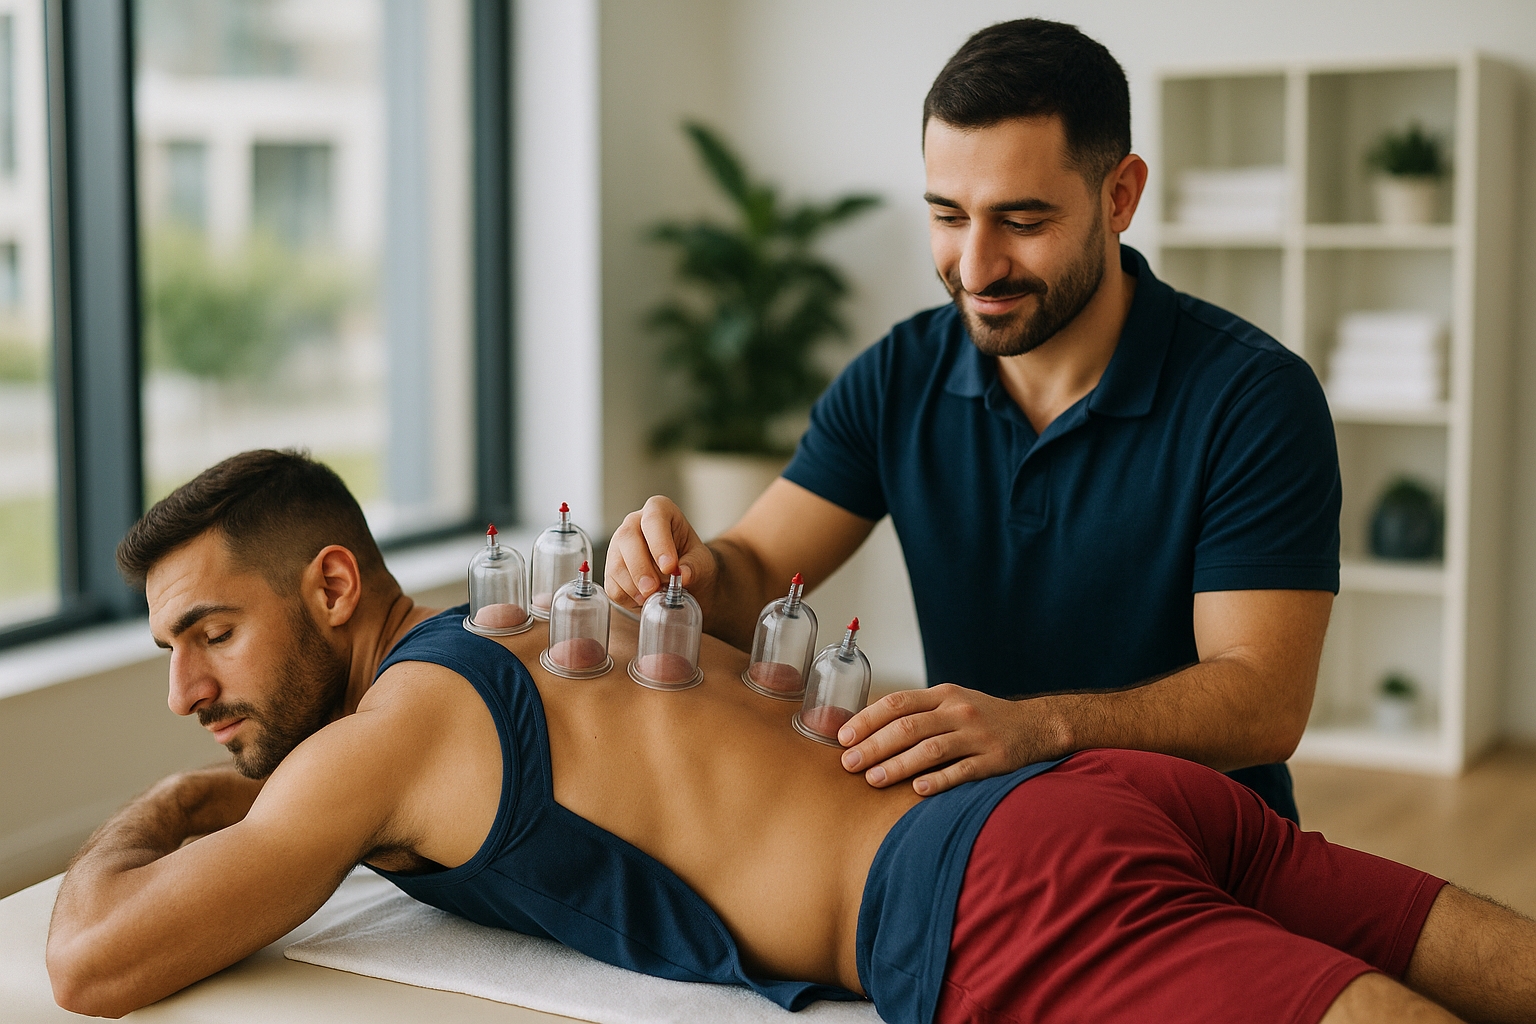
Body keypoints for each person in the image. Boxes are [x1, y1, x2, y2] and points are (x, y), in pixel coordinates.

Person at [43, 450, 1536, 1024]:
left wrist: (164, 815)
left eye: (210, 635)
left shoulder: (385, 735)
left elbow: (94, 965)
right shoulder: (516, 632)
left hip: (983, 892)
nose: (189, 690)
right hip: (1082, 795)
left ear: (331, 585)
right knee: (1445, 939)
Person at [604, 19, 1339, 821]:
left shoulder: (1255, 398)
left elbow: (1264, 700)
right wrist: (692, 574)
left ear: (1120, 196)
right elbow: (753, 569)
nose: (977, 268)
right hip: (981, 835)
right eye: (949, 216)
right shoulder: (898, 376)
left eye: (1023, 223)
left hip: (1203, 847)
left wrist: (1039, 729)